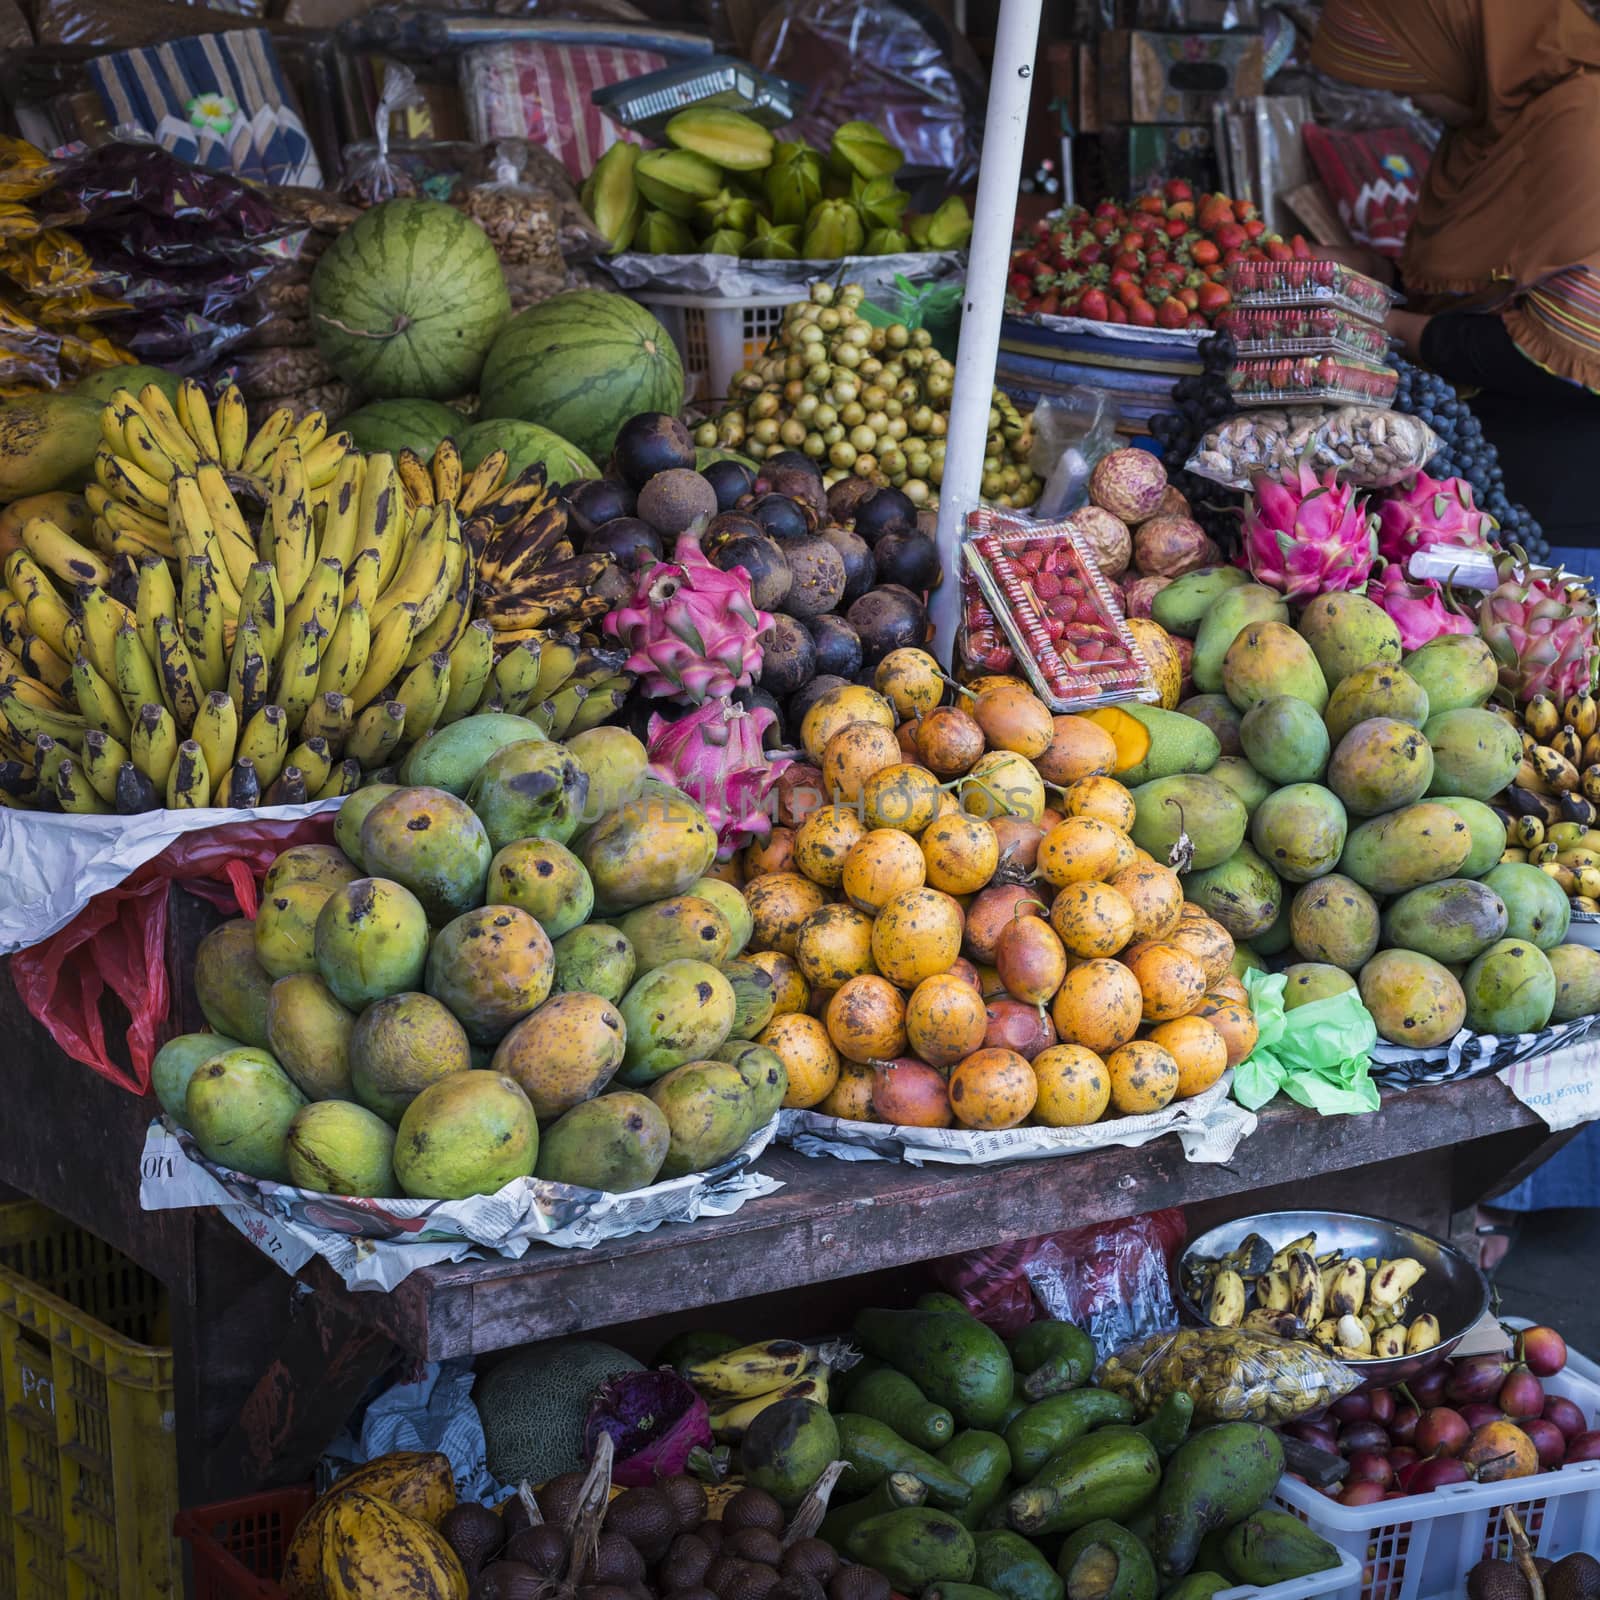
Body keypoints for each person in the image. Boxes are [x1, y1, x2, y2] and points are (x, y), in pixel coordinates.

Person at [1311, 0, 1600, 572]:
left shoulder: (1581, 128)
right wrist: (1376, 272)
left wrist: (1385, 322)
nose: (1407, 100)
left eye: (1409, 77)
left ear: (1461, 42)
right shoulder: (1490, 132)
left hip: (1562, 521)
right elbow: (1492, 284)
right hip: (1474, 507)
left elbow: (1573, 347)